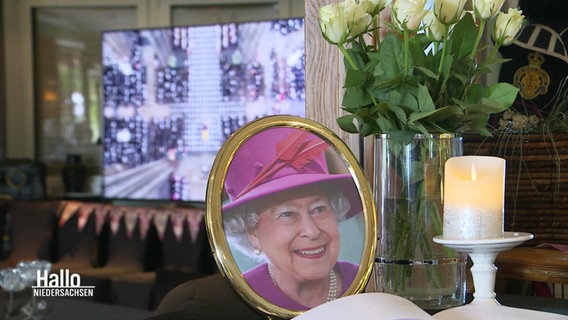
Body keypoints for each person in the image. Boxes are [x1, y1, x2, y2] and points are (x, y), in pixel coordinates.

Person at [222, 127, 363, 311]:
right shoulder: (234, 302)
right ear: (252, 233)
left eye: (319, 209)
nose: (312, 232)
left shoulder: (363, 283)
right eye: (287, 214)